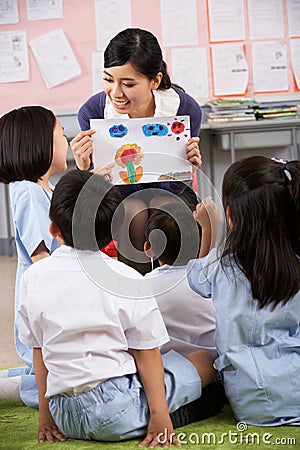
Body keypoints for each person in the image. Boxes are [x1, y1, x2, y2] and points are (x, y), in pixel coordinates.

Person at [18, 169, 217, 443]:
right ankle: (156, 414)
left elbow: (38, 351)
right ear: (112, 233)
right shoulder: (127, 279)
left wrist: (46, 414)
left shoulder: (32, 278)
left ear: (53, 228)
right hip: (118, 409)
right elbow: (147, 353)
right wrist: (160, 416)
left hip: (63, 413)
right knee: (204, 360)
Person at [0, 106, 112, 408]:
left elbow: (67, 224)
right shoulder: (29, 193)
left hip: (52, 293)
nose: (66, 141)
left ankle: (19, 379)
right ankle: (14, 388)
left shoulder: (42, 189)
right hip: (45, 298)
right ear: (40, 144)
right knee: (54, 382)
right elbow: (42, 258)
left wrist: (87, 180)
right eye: (61, 135)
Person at [71, 27, 202, 274]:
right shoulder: (92, 112)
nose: (116, 93)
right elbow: (95, 188)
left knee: (167, 207)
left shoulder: (185, 109)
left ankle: (180, 294)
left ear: (155, 80)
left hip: (171, 191)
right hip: (117, 196)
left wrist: (189, 163)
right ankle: (136, 296)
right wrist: (84, 167)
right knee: (133, 211)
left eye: (128, 84)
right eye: (108, 79)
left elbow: (178, 184)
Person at [187, 156, 300, 426]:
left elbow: (195, 279)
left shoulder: (220, 266)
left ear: (230, 215)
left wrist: (208, 229)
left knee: (204, 361)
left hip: (252, 404)